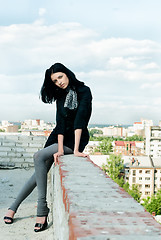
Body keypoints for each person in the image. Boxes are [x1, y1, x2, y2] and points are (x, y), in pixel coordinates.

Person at [3, 63, 92, 232]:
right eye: (54, 80)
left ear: (67, 74)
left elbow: (81, 119)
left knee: (38, 157)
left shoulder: (84, 91)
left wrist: (75, 151)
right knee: (39, 173)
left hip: (75, 139)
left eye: (60, 77)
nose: (58, 82)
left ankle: (41, 209)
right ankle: (14, 206)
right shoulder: (60, 95)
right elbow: (61, 122)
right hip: (58, 137)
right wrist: (58, 149)